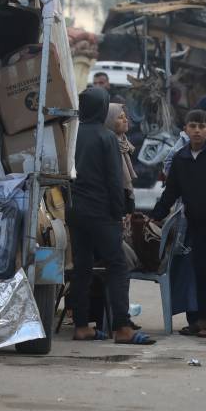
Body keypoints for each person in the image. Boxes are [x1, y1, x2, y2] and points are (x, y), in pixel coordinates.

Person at [69, 87, 154, 345]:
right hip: (101, 212)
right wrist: (120, 213)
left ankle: (82, 325)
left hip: (75, 212)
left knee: (81, 269)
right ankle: (122, 327)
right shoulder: (106, 138)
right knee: (117, 267)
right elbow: (115, 181)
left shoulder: (71, 135)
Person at [150, 109, 206, 338]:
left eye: (201, 126)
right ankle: (200, 321)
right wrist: (156, 215)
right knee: (197, 271)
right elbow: (171, 191)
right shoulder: (181, 158)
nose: (197, 130)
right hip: (193, 224)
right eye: (192, 126)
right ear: (185, 129)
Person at [104, 102, 137, 215]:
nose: (125, 120)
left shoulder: (124, 143)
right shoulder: (107, 145)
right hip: (112, 205)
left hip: (125, 199)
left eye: (125, 117)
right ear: (109, 121)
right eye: (120, 117)